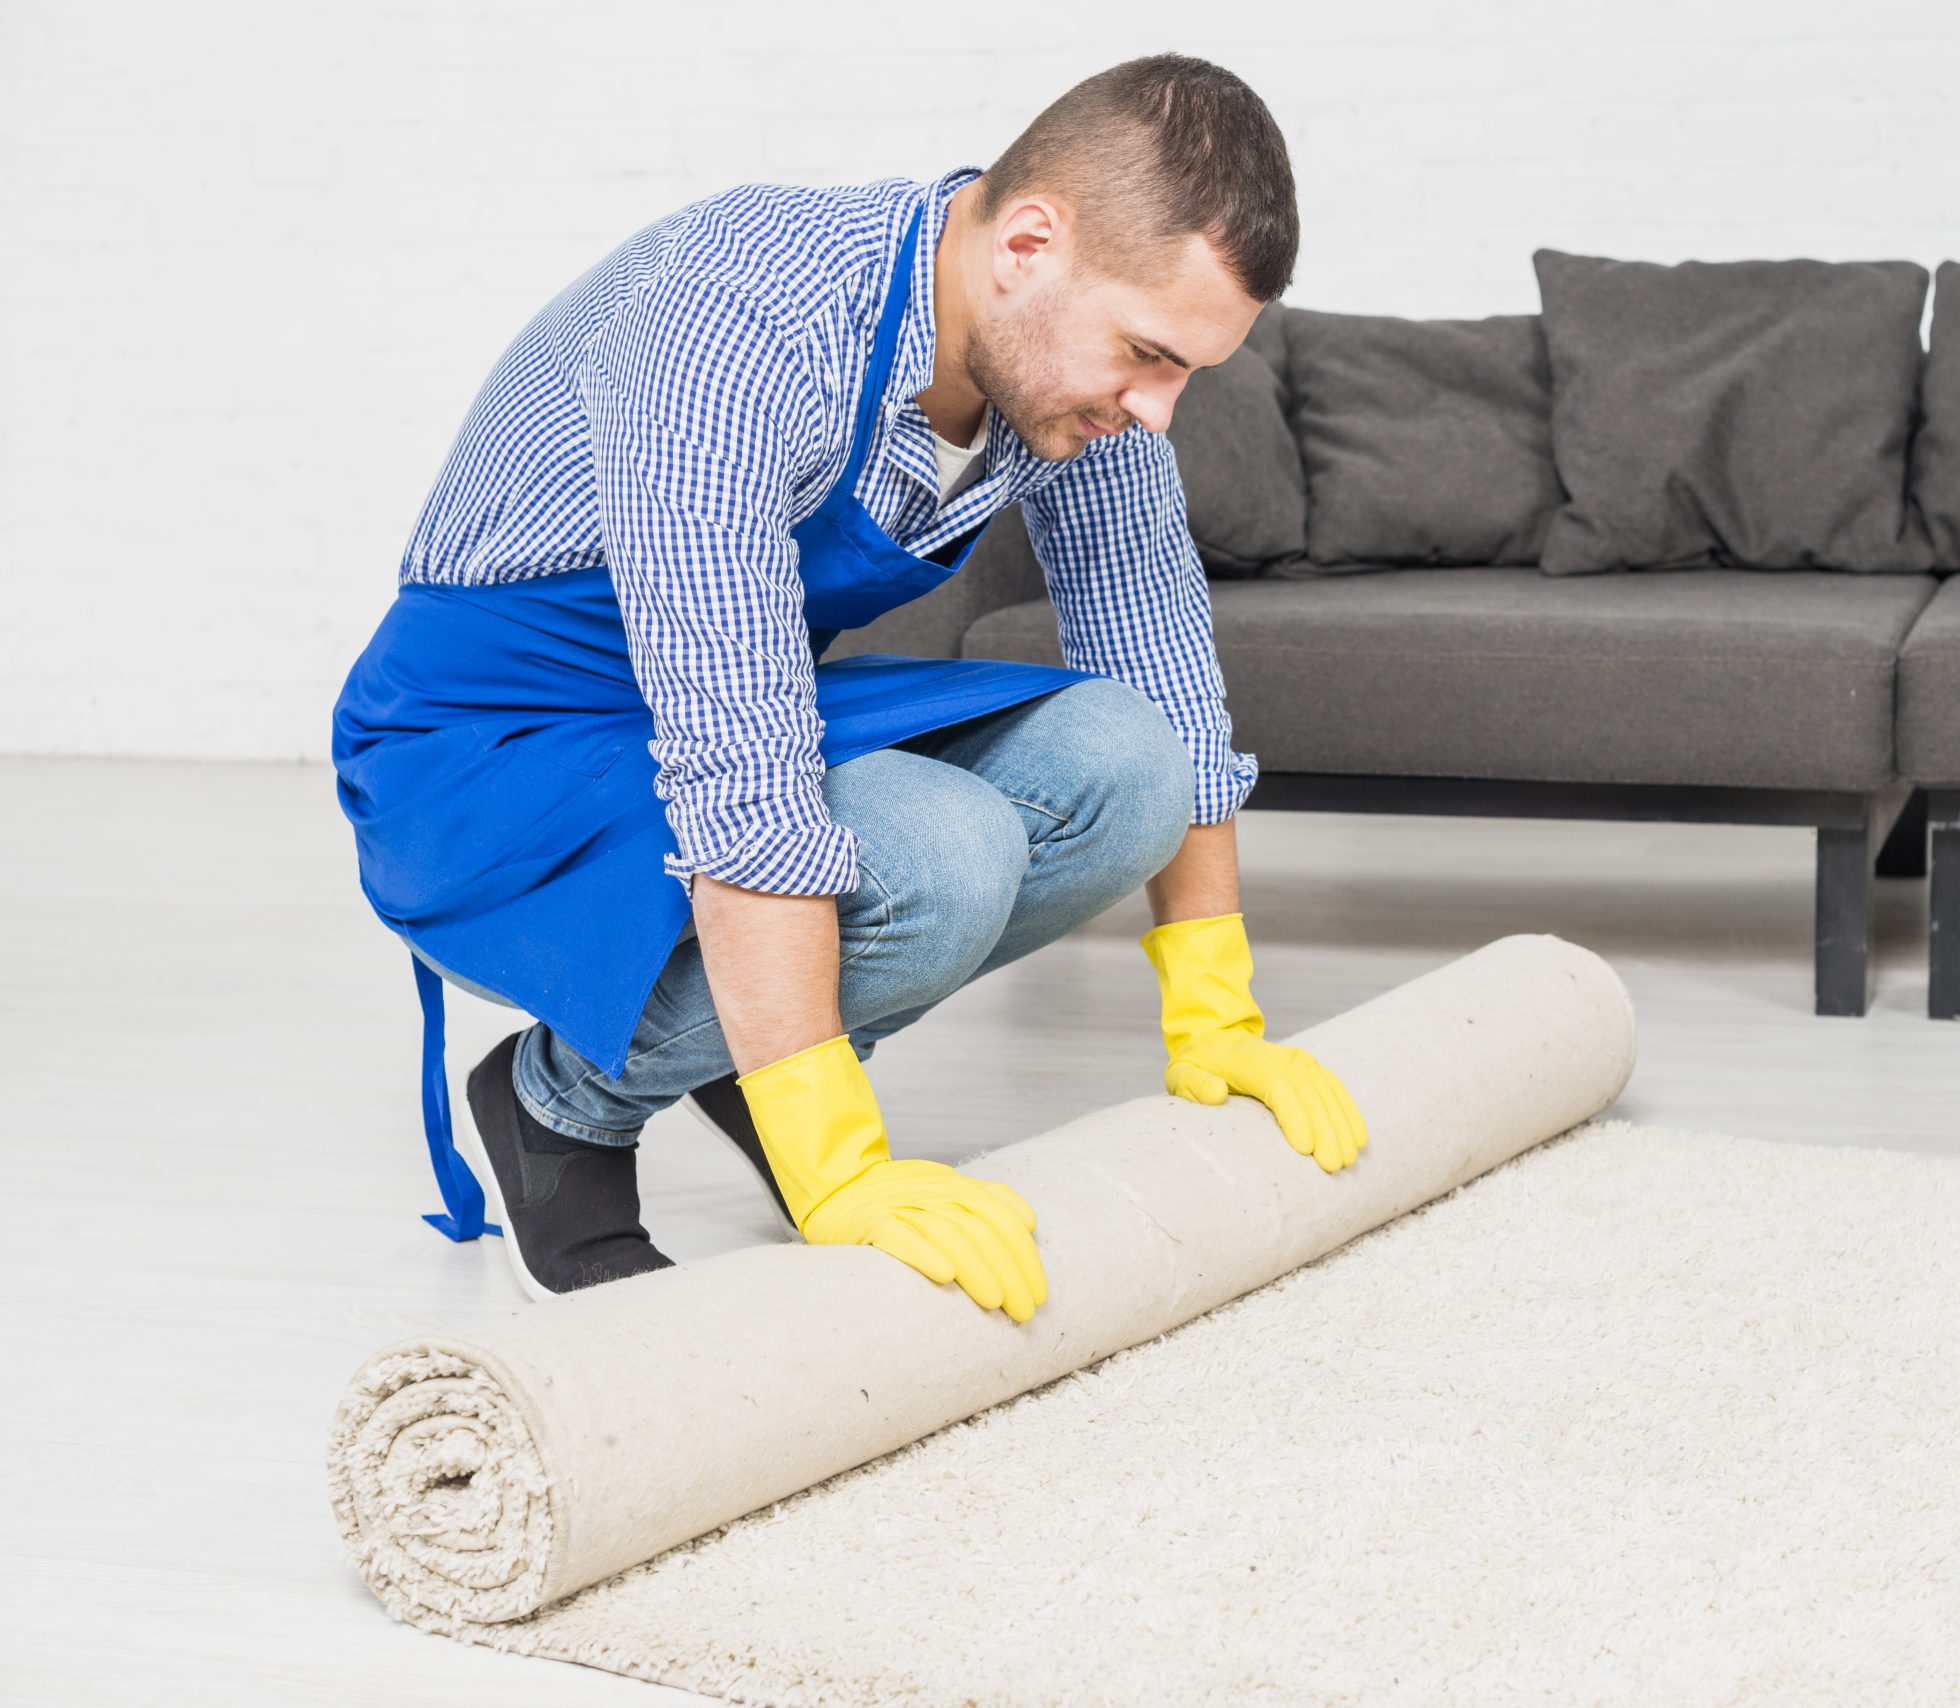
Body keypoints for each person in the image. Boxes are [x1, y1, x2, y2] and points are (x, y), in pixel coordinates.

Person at [328, 53, 1368, 1313]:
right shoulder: (736, 325)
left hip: (712, 695)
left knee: (1125, 764)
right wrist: (838, 1164)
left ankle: (748, 1050)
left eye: (1186, 372)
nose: (1157, 410)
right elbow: (740, 757)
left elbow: (1163, 663)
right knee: (942, 852)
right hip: (485, 751)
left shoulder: (1056, 380)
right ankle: (560, 1105)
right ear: (1028, 243)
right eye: (1146, 353)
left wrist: (1220, 1019)